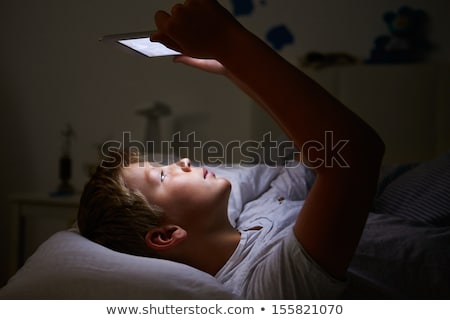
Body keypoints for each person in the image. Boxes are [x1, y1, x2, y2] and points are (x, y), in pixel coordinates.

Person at [77, 0, 385, 299]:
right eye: (162, 175)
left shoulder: (255, 213)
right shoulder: (265, 287)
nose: (182, 161)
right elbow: (353, 156)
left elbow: (314, 156)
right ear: (166, 235)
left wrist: (231, 68)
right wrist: (231, 42)